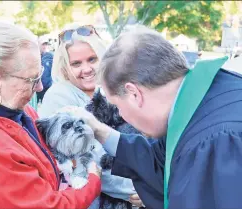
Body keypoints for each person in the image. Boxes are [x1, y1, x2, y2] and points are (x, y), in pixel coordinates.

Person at [63, 26, 242, 209]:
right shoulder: (209, 95)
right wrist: (100, 131)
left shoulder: (219, 141)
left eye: (117, 106)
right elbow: (161, 162)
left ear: (134, 93)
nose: (121, 114)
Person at [0, 21, 102, 209]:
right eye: (32, 79)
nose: (40, 87)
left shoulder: (20, 111)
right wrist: (92, 179)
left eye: (40, 75)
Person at [38, 23, 143, 208]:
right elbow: (85, 163)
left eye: (92, 59)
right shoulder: (59, 97)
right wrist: (139, 189)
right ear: (64, 67)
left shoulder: (114, 88)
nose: (86, 69)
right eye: (76, 63)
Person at [37, 36, 54, 103]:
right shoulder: (35, 56)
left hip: (47, 88)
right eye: (43, 44)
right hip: (37, 88)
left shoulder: (50, 56)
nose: (44, 46)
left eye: (46, 44)